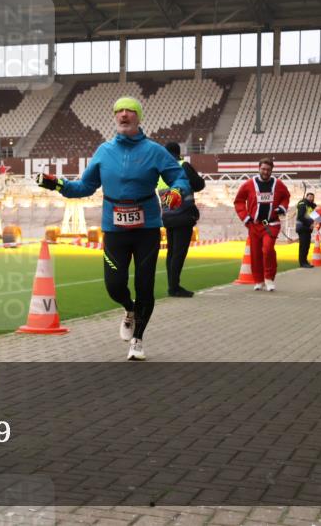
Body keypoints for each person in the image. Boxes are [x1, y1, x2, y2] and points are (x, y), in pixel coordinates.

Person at [38, 97, 189, 361]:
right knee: (114, 285)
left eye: (130, 111)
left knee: (145, 285)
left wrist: (177, 191)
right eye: (118, 111)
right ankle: (129, 310)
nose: (123, 115)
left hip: (147, 229)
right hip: (115, 229)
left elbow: (179, 176)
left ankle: (138, 339)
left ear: (139, 117)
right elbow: (84, 187)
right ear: (114, 117)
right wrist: (57, 184)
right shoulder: (104, 151)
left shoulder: (154, 151)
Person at [232, 158, 290, 292]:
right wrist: (245, 217)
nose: (265, 172)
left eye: (268, 170)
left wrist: (282, 207)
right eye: (263, 169)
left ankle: (269, 278)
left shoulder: (278, 184)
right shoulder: (249, 184)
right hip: (254, 225)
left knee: (268, 249)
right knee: (256, 253)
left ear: (272, 170)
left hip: (271, 224)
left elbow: (286, 197)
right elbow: (239, 201)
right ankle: (258, 280)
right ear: (259, 168)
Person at [157, 141, 205, 297]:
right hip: (183, 215)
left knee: (171, 252)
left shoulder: (161, 172)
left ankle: (172, 285)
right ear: (179, 153)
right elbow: (198, 185)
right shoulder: (183, 165)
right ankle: (174, 287)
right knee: (179, 253)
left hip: (168, 216)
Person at [295, 192, 317, 268]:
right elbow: (300, 217)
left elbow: (313, 217)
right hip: (302, 227)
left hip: (307, 228)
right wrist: (309, 224)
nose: (311, 198)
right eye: (309, 196)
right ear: (306, 197)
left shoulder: (310, 206)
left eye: (312, 197)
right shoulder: (303, 204)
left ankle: (304, 261)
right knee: (304, 246)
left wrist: (312, 224)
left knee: (306, 246)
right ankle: (303, 262)